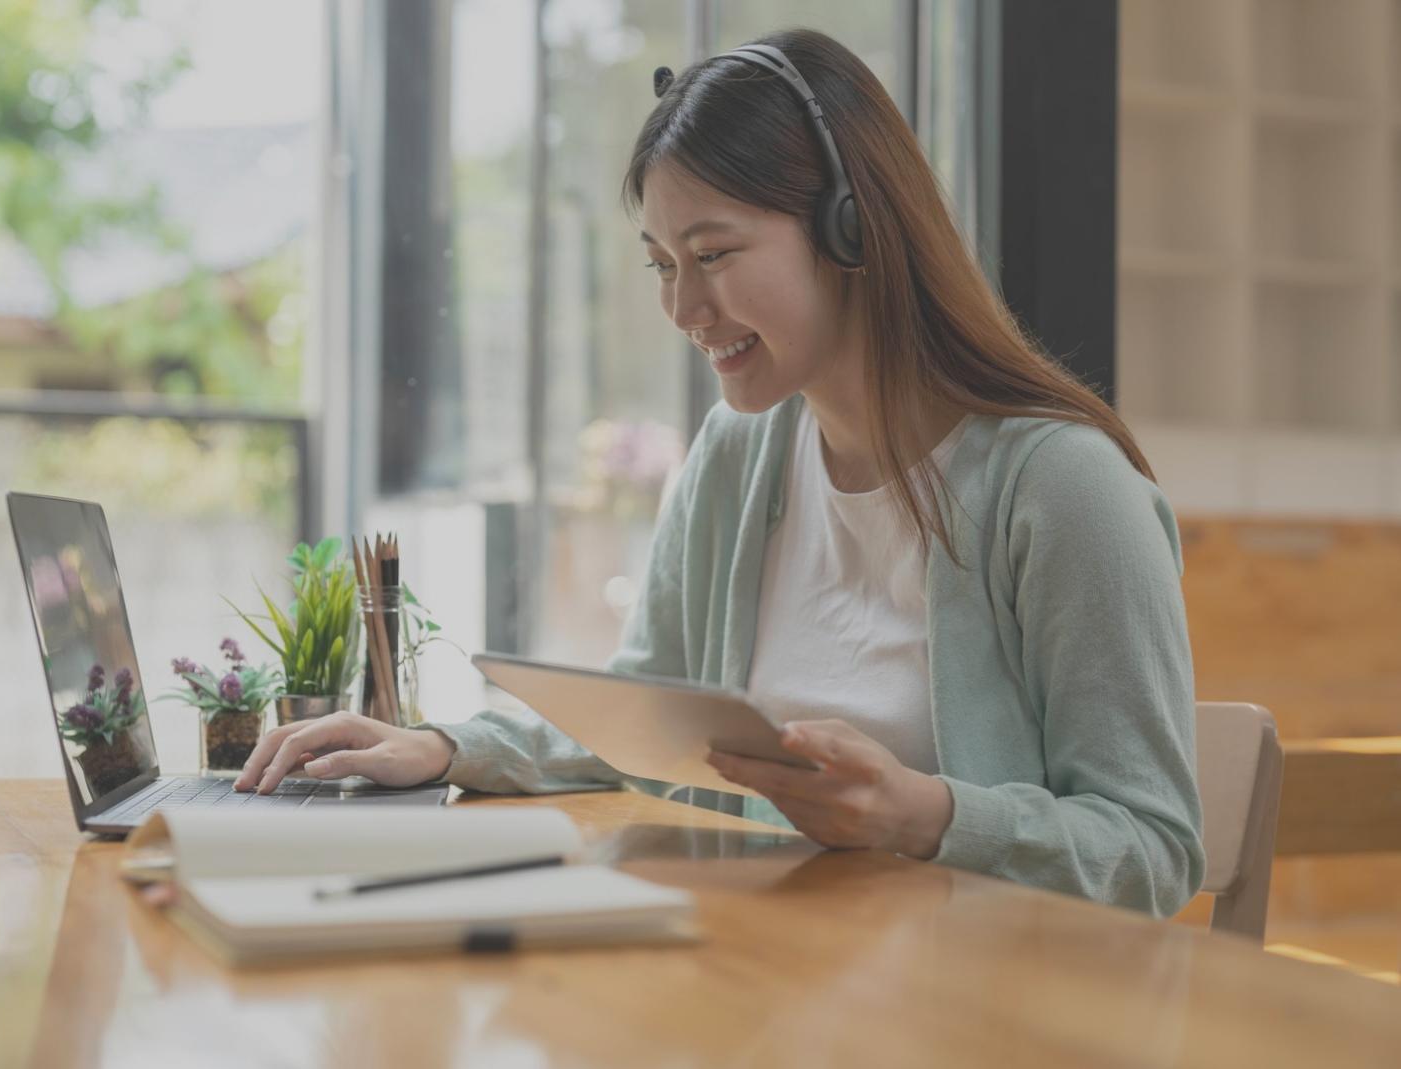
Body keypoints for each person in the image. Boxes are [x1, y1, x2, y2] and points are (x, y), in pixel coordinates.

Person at [234, 27, 1204, 917]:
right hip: (763, 980)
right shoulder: (736, 460)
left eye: (714, 254)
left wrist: (924, 815)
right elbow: (648, 717)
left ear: (852, 231)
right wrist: (445, 747)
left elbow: (1151, 852)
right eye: (661, 264)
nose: (683, 307)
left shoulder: (1063, 492)